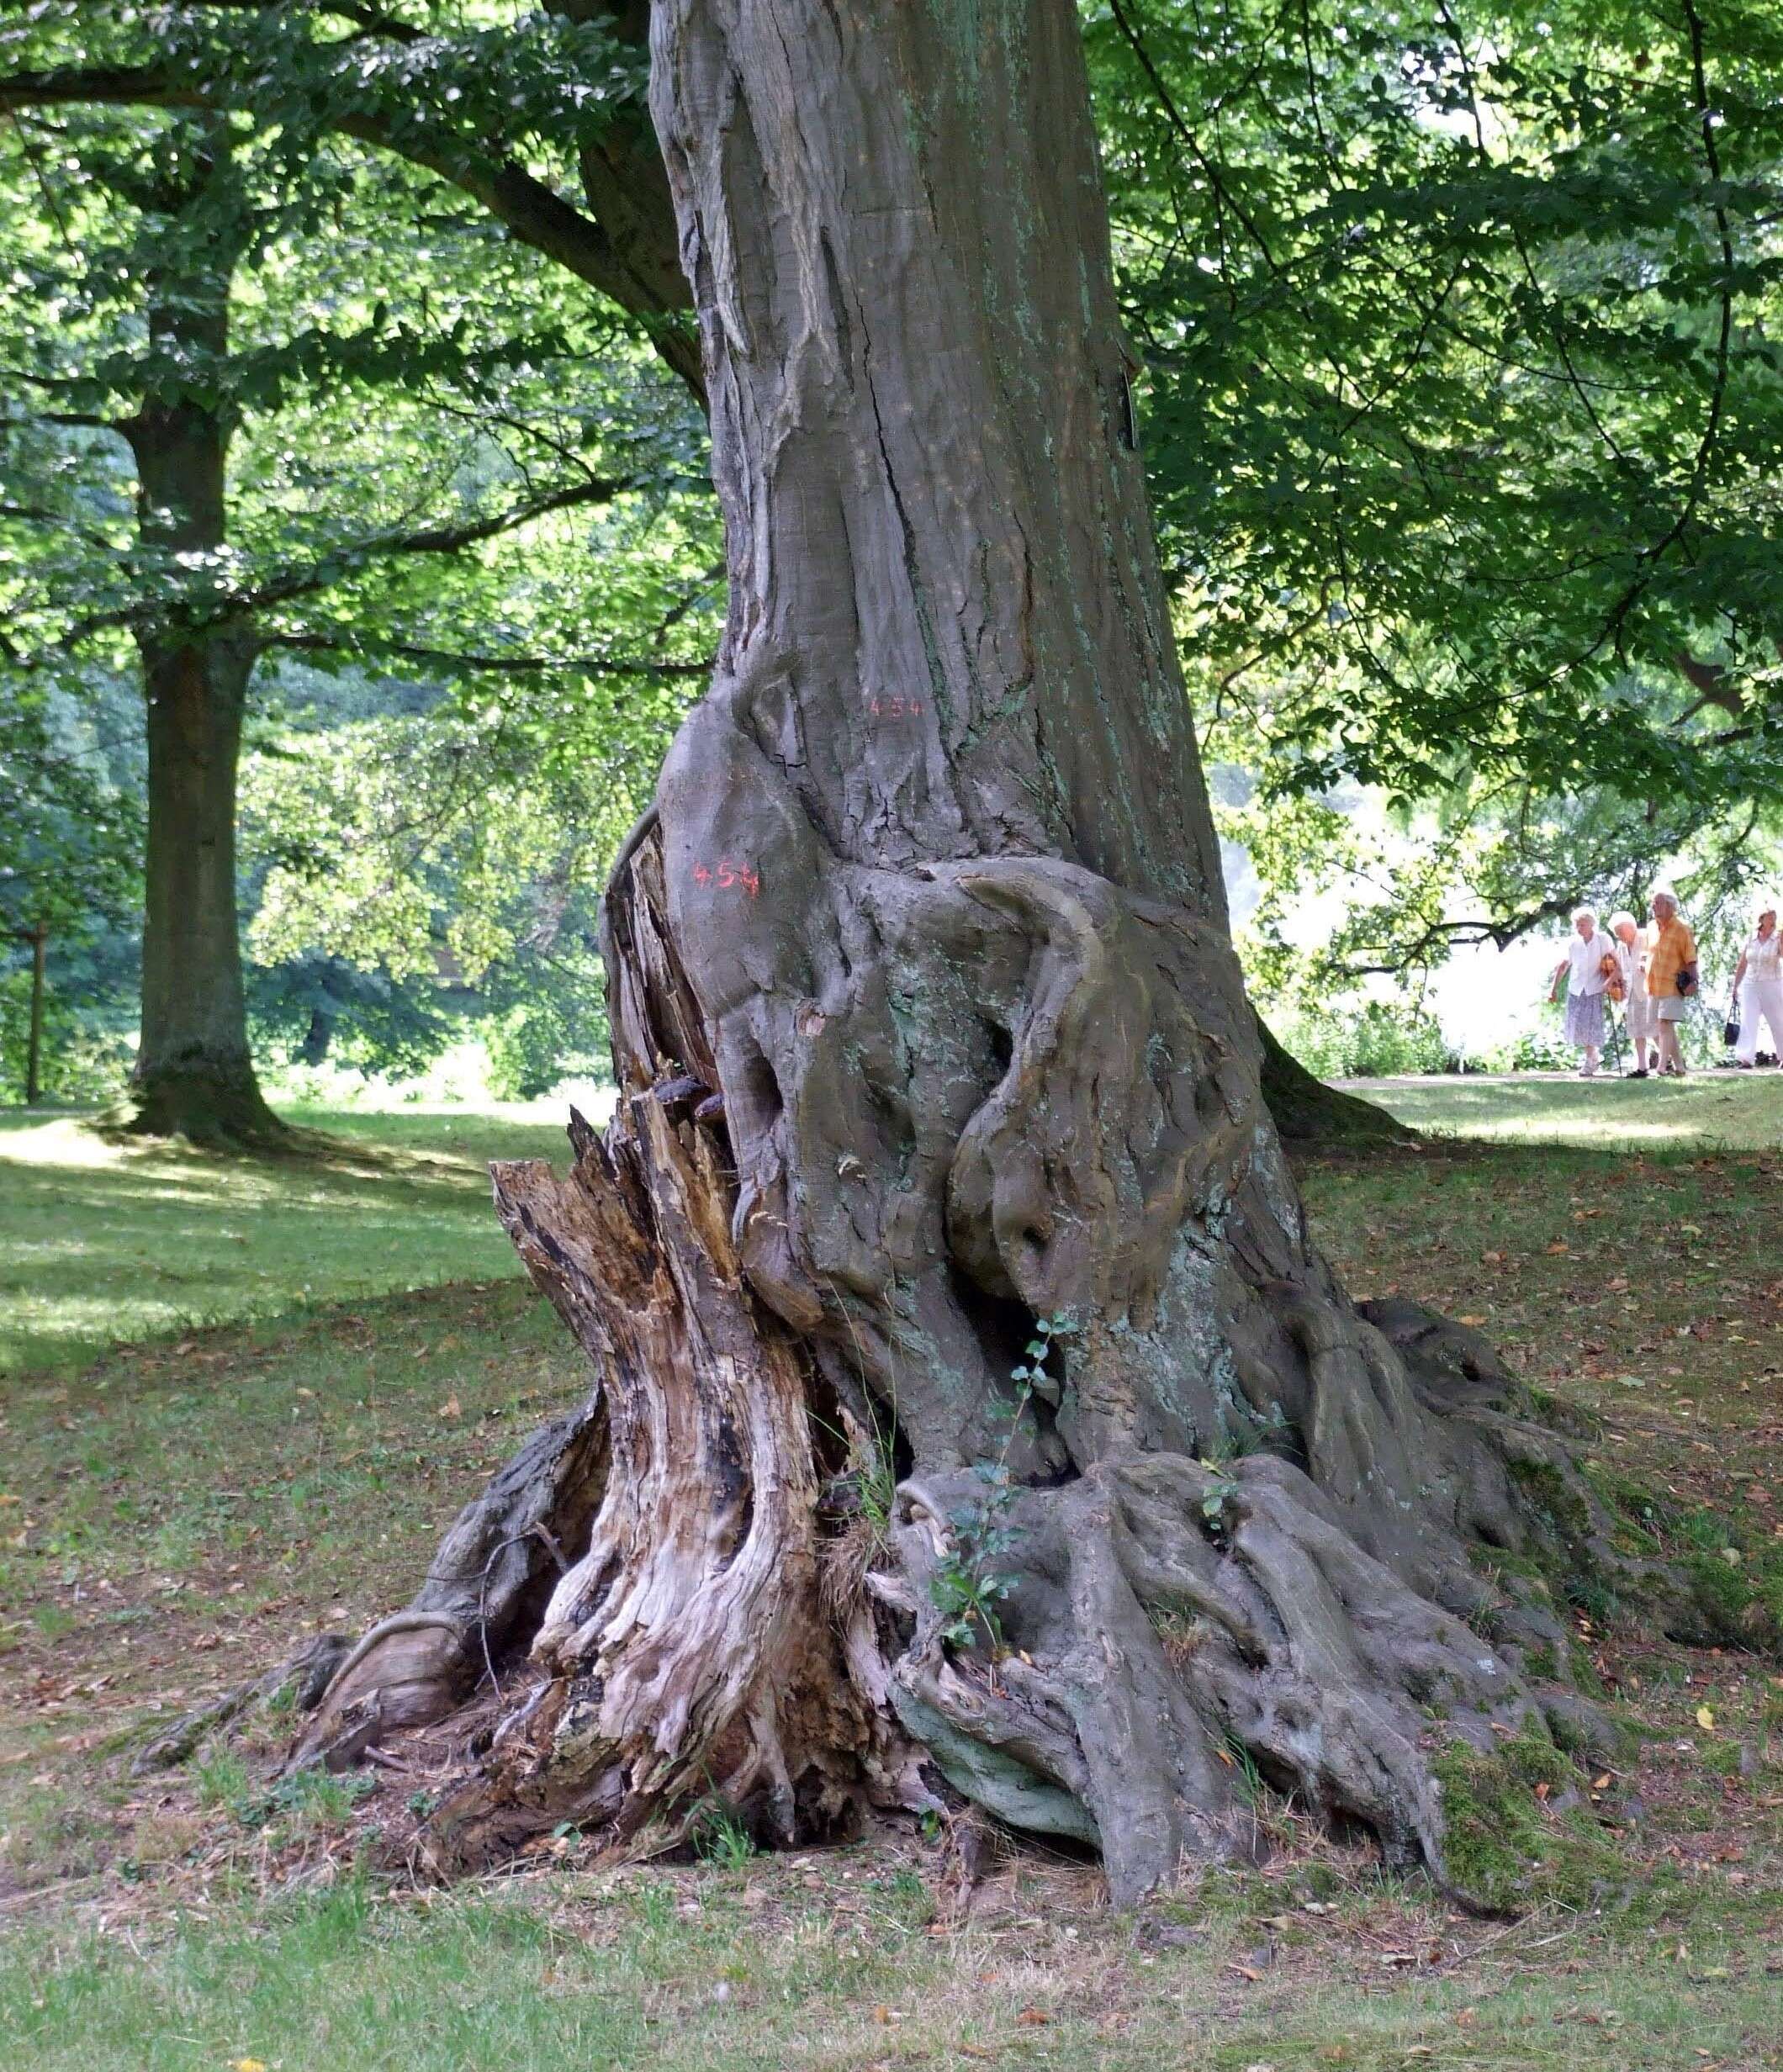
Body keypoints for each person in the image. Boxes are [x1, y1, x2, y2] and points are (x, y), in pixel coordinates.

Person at [1644, 887, 1698, 1077]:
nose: (1653, 906)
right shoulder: (1651, 927)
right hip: (1652, 984)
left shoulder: (1682, 929)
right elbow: (1650, 952)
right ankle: (1679, 1066)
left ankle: (1660, 1067)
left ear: (1670, 906)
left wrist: (1694, 980)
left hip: (1672, 984)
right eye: (1652, 903)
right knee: (1654, 1027)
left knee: (1664, 1023)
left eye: (1657, 903)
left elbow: (1691, 957)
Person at [1549, 907, 1609, 1077]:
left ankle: (1591, 1061)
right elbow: (1563, 966)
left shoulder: (1602, 939)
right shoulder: (1573, 943)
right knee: (1580, 1026)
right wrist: (1553, 989)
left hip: (1595, 987)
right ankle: (1592, 1057)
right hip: (1576, 988)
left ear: (1591, 924)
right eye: (1576, 925)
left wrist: (1610, 983)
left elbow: (1613, 962)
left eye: (1582, 924)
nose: (1579, 928)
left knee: (1592, 1025)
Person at [1733, 901, 1783, 1069]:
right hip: (1751, 983)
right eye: (1771, 917)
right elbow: (1743, 963)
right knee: (1748, 1020)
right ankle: (1746, 1059)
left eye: (1775, 918)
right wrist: (1735, 986)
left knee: (1778, 1020)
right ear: (1762, 919)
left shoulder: (1778, 937)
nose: (1773, 921)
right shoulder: (1751, 937)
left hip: (1772, 983)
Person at [1607, 910, 1653, 1076]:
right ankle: (1642, 1067)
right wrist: (1614, 985)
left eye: (1620, 932)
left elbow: (1657, 954)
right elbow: (1621, 969)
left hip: (1649, 989)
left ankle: (1668, 1061)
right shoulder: (1621, 946)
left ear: (1630, 927)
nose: (1619, 936)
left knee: (1654, 1028)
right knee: (1637, 1030)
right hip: (1632, 992)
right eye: (1616, 933)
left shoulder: (1646, 936)